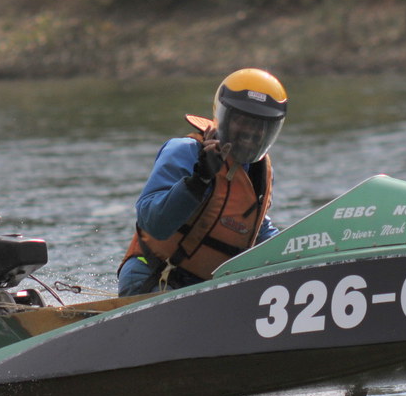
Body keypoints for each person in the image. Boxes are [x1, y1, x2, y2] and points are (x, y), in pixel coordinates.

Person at [118, 68, 287, 296]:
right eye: (242, 121)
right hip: (156, 277)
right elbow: (153, 222)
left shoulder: (259, 173)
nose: (250, 131)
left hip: (208, 291)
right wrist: (200, 179)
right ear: (223, 117)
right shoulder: (185, 151)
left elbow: (257, 230)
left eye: (260, 125)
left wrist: (298, 249)